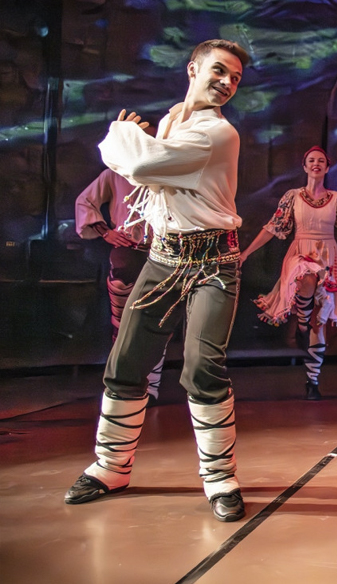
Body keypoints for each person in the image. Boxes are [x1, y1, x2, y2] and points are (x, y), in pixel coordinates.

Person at [64, 39, 250, 522]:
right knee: (127, 361)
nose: (227, 83)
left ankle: (220, 477)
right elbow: (119, 162)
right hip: (164, 258)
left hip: (213, 263)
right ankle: (111, 466)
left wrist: (123, 131)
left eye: (235, 77)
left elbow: (139, 165)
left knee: (202, 366)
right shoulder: (172, 119)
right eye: (219, 71)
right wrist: (128, 143)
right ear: (193, 69)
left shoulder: (218, 134)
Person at [241, 146, 337, 400]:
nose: (316, 164)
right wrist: (246, 253)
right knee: (306, 276)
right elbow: (273, 228)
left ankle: (312, 380)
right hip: (300, 251)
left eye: (321, 161)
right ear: (304, 167)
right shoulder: (293, 196)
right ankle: (301, 322)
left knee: (321, 321)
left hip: (328, 256)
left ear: (327, 167)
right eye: (311, 160)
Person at [75, 168, 167, 399]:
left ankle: (151, 387)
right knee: (122, 322)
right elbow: (85, 201)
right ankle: (123, 385)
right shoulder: (115, 173)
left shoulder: (170, 170)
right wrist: (105, 232)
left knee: (159, 320)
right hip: (128, 254)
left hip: (164, 254)